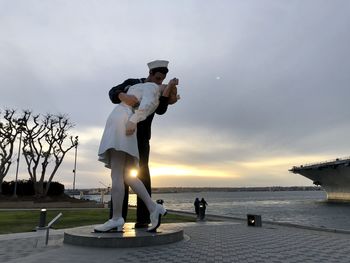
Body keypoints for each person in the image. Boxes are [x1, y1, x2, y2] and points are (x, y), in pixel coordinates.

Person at [95, 79, 177, 233]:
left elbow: (148, 105)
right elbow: (116, 92)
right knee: (127, 175)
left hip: (121, 122)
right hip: (123, 121)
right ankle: (153, 208)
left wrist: (133, 121)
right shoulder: (148, 87)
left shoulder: (152, 87)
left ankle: (116, 218)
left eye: (165, 85)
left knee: (117, 174)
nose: (162, 82)